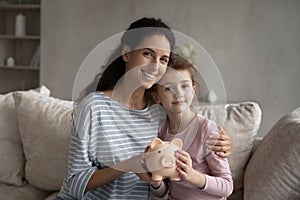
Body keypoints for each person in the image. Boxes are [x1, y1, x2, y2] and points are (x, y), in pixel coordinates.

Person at [56, 17, 231, 200]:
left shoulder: (160, 113)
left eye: (163, 59)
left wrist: (220, 143)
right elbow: (74, 183)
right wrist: (128, 165)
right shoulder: (93, 107)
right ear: (126, 53)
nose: (155, 66)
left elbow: (192, 129)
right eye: (147, 54)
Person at [149, 54, 233, 200]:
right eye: (168, 88)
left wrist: (192, 175)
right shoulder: (161, 134)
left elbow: (227, 187)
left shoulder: (206, 130)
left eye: (184, 86)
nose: (178, 93)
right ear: (157, 97)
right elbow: (162, 192)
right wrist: (156, 181)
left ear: (193, 90)